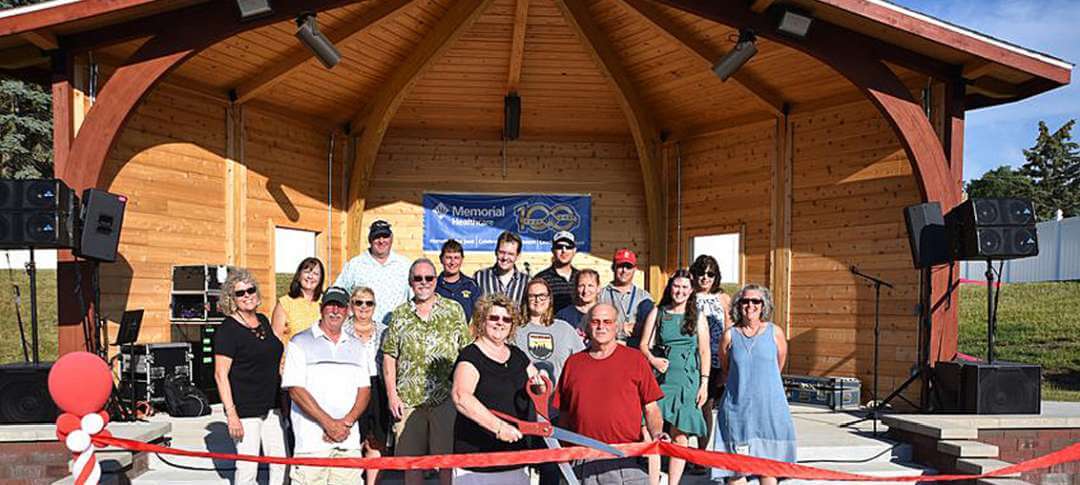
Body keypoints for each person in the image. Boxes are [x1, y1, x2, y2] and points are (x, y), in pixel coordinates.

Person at [554, 303, 666, 485]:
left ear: (617, 326)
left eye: (607, 321)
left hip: (624, 460)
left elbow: (651, 409)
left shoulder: (635, 359)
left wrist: (657, 434)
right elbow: (565, 416)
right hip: (582, 460)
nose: (601, 326)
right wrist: (566, 457)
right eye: (595, 321)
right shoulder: (573, 363)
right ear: (587, 325)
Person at [383, 258, 472, 485]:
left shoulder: (454, 310)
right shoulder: (400, 315)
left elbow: (466, 353)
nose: (423, 283)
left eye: (429, 278)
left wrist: (465, 395)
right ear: (411, 282)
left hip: (445, 399)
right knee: (411, 464)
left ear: (436, 280)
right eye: (418, 278)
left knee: (446, 463)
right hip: (408, 401)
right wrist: (392, 395)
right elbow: (389, 355)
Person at [281, 286, 372, 485]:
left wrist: (346, 423)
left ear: (347, 311)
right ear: (321, 308)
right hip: (311, 444)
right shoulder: (299, 342)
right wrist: (329, 424)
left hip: (347, 442)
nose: (335, 311)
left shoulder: (358, 346)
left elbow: (364, 390)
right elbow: (295, 390)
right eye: (330, 305)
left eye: (340, 306)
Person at [451, 293, 542, 485]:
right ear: (482, 321)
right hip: (478, 460)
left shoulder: (518, 355)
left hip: (516, 458)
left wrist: (541, 382)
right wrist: (499, 427)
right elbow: (461, 397)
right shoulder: (471, 356)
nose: (500, 323)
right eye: (494, 317)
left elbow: (538, 387)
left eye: (506, 319)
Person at [713, 285, 796, 485]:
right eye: (745, 301)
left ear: (763, 305)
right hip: (737, 412)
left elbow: (778, 367)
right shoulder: (729, 335)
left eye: (756, 301)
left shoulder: (775, 333)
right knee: (736, 471)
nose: (750, 305)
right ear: (738, 305)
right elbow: (726, 369)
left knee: (768, 470)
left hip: (769, 411)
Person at [213, 268, 286, 485]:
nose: (247, 295)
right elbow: (220, 375)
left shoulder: (263, 320)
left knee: (279, 462)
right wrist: (231, 413)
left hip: (272, 406)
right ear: (231, 299)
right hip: (245, 409)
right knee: (247, 468)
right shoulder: (228, 330)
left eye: (250, 290)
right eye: (240, 293)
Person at [639, 269, 709, 485]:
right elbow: (643, 345)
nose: (679, 291)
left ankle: (673, 482)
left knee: (681, 434)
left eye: (684, 287)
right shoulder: (658, 312)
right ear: (670, 287)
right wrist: (653, 360)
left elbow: (704, 351)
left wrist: (704, 383)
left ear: (691, 291)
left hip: (687, 380)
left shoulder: (697, 316)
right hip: (661, 377)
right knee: (650, 431)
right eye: (676, 286)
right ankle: (653, 481)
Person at [514, 278, 585, 485]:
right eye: (532, 296)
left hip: (553, 412)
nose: (537, 300)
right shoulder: (515, 329)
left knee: (550, 468)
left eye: (542, 295)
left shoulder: (564, 329)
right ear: (526, 299)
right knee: (519, 466)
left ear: (550, 299)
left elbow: (580, 363)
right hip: (522, 410)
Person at [689, 255, 731, 465]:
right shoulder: (687, 294)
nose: (705, 278)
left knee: (706, 407)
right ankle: (681, 453)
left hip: (715, 362)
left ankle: (701, 455)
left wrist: (726, 368)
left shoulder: (723, 298)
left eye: (710, 274)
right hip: (690, 361)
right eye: (701, 273)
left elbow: (729, 332)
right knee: (689, 406)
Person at [334, 219, 411, 325]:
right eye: (377, 237)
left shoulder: (405, 265)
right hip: (362, 332)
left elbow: (414, 299)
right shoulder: (355, 265)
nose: (381, 241)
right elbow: (338, 293)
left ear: (391, 238)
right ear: (370, 239)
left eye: (385, 236)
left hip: (397, 331)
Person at [349, 286, 389, 485]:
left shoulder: (384, 330)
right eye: (359, 302)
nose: (364, 307)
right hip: (351, 387)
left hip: (378, 385)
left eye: (369, 303)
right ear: (351, 305)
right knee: (355, 438)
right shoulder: (343, 330)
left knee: (376, 439)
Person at [598, 248, 654, 347]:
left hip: (635, 350)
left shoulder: (644, 297)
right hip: (608, 349)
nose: (624, 270)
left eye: (628, 267)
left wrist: (637, 328)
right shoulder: (601, 295)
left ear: (635, 269)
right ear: (613, 267)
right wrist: (621, 329)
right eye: (620, 266)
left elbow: (652, 329)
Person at [271, 257, 324, 343]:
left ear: (320, 279)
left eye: (315, 273)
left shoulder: (325, 302)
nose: (310, 276)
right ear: (299, 275)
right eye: (307, 272)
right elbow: (275, 340)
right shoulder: (285, 303)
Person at [474, 230, 529, 304]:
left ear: (518, 256)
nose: (505, 257)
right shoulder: (480, 277)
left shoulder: (526, 282)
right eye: (502, 252)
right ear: (496, 252)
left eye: (510, 254)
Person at [534, 231, 580, 314]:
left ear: (574, 251)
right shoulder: (541, 279)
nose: (564, 250)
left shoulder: (580, 277)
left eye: (568, 247)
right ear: (552, 250)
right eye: (559, 247)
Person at [436, 239, 482, 321]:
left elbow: (479, 315)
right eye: (448, 258)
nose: (452, 262)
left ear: (462, 260)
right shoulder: (433, 285)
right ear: (441, 259)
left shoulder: (471, 286)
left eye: (456, 258)